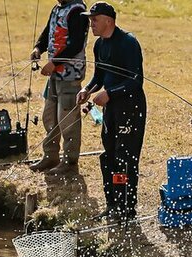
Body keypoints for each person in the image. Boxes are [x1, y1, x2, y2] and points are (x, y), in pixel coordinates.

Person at [76, 2, 145, 220]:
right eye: (90, 20)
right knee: (110, 156)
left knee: (126, 158)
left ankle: (127, 207)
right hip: (111, 109)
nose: (91, 24)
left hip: (131, 108)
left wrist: (110, 94)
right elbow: (99, 76)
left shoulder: (129, 43)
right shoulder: (99, 46)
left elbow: (136, 81)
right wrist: (87, 89)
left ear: (109, 21)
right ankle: (113, 203)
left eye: (94, 19)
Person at [29, 0, 88, 175]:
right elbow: (48, 31)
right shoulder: (57, 8)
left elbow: (76, 44)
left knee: (67, 119)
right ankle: (50, 156)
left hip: (70, 75)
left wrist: (54, 62)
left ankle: (69, 162)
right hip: (55, 76)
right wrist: (38, 47)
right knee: (49, 116)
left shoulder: (78, 11)